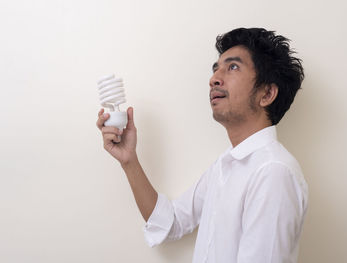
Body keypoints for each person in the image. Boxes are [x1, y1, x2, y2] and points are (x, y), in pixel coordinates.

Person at [96, 27, 308, 263]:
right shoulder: (226, 164)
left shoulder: (272, 172)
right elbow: (172, 222)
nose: (214, 78)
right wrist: (129, 160)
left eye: (233, 67)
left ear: (267, 93)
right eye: (216, 68)